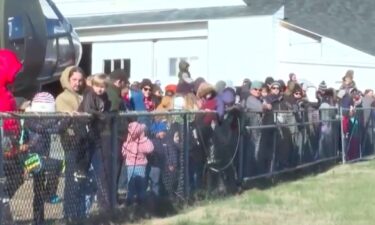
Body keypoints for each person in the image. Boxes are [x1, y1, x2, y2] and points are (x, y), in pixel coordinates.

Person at [23, 92, 68, 225]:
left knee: (41, 185)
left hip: (44, 155)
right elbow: (43, 128)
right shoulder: (30, 118)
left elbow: (56, 128)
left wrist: (66, 118)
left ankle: (42, 212)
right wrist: (59, 118)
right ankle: (40, 213)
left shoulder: (49, 119)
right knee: (39, 187)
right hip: (31, 157)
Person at [55, 66, 88, 220]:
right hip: (71, 142)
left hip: (85, 141)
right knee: (71, 178)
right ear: (68, 80)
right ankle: (69, 213)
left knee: (82, 178)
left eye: (80, 80)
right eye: (74, 79)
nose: (77, 83)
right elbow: (66, 120)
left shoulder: (84, 96)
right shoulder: (62, 98)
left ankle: (80, 212)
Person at [0, 49, 24, 225]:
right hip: (4, 137)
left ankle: (4, 200)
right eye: (13, 70)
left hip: (10, 138)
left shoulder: (6, 89)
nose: (16, 74)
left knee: (17, 174)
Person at [76, 74, 111, 179]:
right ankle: (81, 169)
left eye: (102, 87)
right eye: (97, 86)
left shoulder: (104, 97)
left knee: (94, 149)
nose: (99, 89)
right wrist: (100, 115)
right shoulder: (89, 94)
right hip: (83, 123)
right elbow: (88, 109)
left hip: (95, 126)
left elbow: (103, 109)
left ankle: (92, 172)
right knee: (85, 147)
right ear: (93, 85)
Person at [122, 122, 154, 205]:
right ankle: (134, 200)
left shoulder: (134, 142)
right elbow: (150, 149)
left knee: (135, 185)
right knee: (135, 185)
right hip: (135, 166)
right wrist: (143, 137)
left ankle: (135, 201)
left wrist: (142, 138)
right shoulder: (135, 142)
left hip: (136, 166)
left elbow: (150, 149)